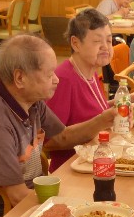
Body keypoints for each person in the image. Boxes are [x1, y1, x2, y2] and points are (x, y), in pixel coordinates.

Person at [0, 34, 114, 217]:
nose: (56, 79)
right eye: (49, 74)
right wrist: (74, 209)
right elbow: (17, 195)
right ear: (20, 78)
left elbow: (62, 137)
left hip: (33, 197)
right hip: (0, 213)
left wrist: (104, 119)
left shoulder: (32, 102)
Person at [45, 9, 119, 171]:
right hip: (71, 170)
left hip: (96, 161)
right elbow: (50, 140)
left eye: (109, 40)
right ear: (76, 43)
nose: (105, 47)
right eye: (97, 41)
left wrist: (117, 103)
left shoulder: (90, 72)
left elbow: (85, 111)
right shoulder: (63, 79)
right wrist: (101, 121)